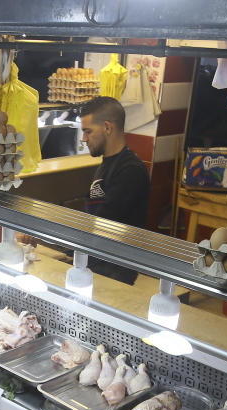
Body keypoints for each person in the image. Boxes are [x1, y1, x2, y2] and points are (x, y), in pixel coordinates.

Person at [79, 96, 151, 284]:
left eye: (88, 132)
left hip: (113, 272)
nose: (84, 139)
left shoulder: (131, 171)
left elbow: (104, 222)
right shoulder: (105, 165)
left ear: (107, 128)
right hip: (94, 263)